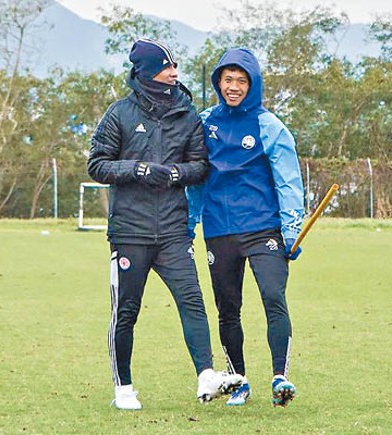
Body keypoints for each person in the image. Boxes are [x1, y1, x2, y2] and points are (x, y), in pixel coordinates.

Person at [87, 38, 242, 410]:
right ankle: (123, 388)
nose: (175, 72)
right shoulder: (119, 114)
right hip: (130, 233)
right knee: (126, 311)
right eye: (167, 66)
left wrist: (173, 173)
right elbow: (97, 163)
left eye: (174, 66)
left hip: (173, 230)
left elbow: (200, 166)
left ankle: (206, 375)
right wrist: (137, 170)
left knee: (192, 301)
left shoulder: (187, 115)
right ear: (146, 72)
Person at [188, 48, 305, 407]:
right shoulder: (204, 122)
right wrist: (189, 224)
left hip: (263, 229)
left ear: (252, 84)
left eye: (241, 80)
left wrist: (292, 230)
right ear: (218, 82)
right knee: (227, 309)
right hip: (219, 230)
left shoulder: (269, 125)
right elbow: (196, 180)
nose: (233, 86)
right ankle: (238, 380)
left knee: (273, 296)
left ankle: (280, 377)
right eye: (228, 79)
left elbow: (288, 181)